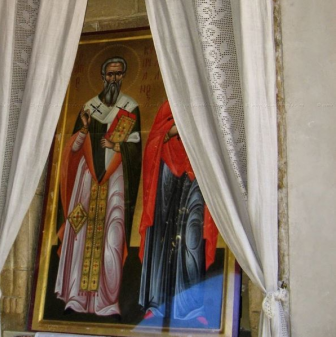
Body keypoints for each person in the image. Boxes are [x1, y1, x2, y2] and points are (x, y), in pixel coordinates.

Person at [55, 57, 142, 316]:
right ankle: (75, 298)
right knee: (79, 233)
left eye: (118, 74)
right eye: (110, 74)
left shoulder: (130, 108)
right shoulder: (89, 108)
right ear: (103, 77)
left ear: (123, 76)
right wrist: (83, 129)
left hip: (115, 181)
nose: (114, 79)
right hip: (86, 181)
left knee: (113, 237)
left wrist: (116, 146)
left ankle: (107, 302)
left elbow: (136, 148)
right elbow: (72, 149)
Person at [138, 100, 218, 323]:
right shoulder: (167, 105)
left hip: (196, 170)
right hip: (166, 167)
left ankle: (192, 307)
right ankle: (155, 303)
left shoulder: (204, 101)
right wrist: (170, 131)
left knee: (192, 237)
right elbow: (153, 142)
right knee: (161, 235)